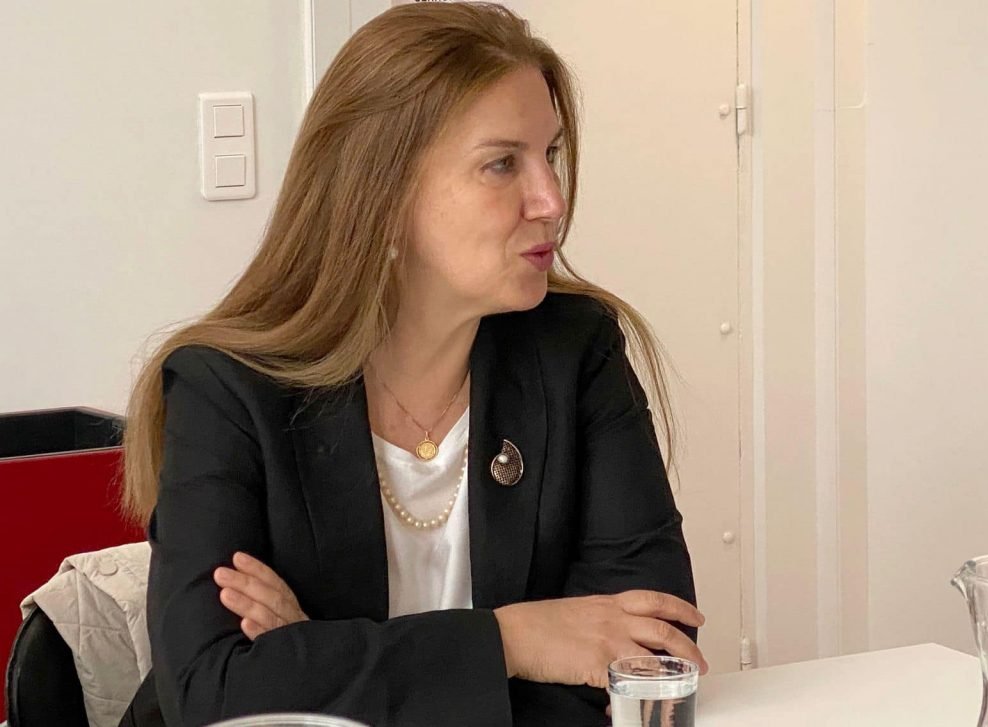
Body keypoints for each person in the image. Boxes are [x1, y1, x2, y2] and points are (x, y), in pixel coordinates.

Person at [119, 3, 705, 726]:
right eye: (502, 163)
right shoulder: (227, 387)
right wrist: (514, 640)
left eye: (549, 155)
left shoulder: (577, 351)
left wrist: (321, 657)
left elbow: (650, 651)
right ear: (383, 193)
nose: (551, 200)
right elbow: (212, 695)